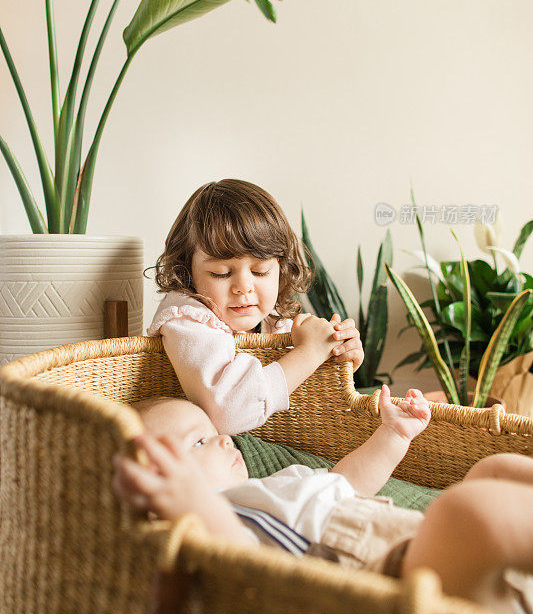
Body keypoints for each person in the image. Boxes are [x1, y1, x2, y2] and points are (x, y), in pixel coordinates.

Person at [113, 390, 533, 614]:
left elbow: (346, 484)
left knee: (492, 470)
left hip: (424, 546)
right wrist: (191, 503)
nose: (225, 438)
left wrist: (393, 437)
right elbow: (240, 567)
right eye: (199, 441)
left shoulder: (276, 485)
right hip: (382, 579)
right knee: (466, 511)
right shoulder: (219, 520)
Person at [147, 179, 364, 434]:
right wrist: (309, 354)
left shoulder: (275, 321)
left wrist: (335, 362)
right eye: (221, 272)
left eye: (260, 272)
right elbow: (228, 414)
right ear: (187, 272)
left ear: (280, 270)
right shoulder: (187, 320)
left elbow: (298, 402)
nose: (243, 287)